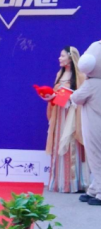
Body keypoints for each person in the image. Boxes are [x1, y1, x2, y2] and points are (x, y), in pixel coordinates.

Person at [44, 47, 90, 193]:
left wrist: (70, 98)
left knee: (71, 143)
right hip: (59, 114)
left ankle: (73, 183)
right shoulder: (60, 74)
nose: (59, 58)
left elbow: (83, 97)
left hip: (73, 115)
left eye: (62, 56)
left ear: (70, 58)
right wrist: (50, 97)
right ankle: (59, 181)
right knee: (59, 142)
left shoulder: (81, 76)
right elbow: (57, 96)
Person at [72, 42, 101, 206]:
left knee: (96, 158)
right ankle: (94, 189)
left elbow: (76, 98)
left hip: (94, 126)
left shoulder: (91, 84)